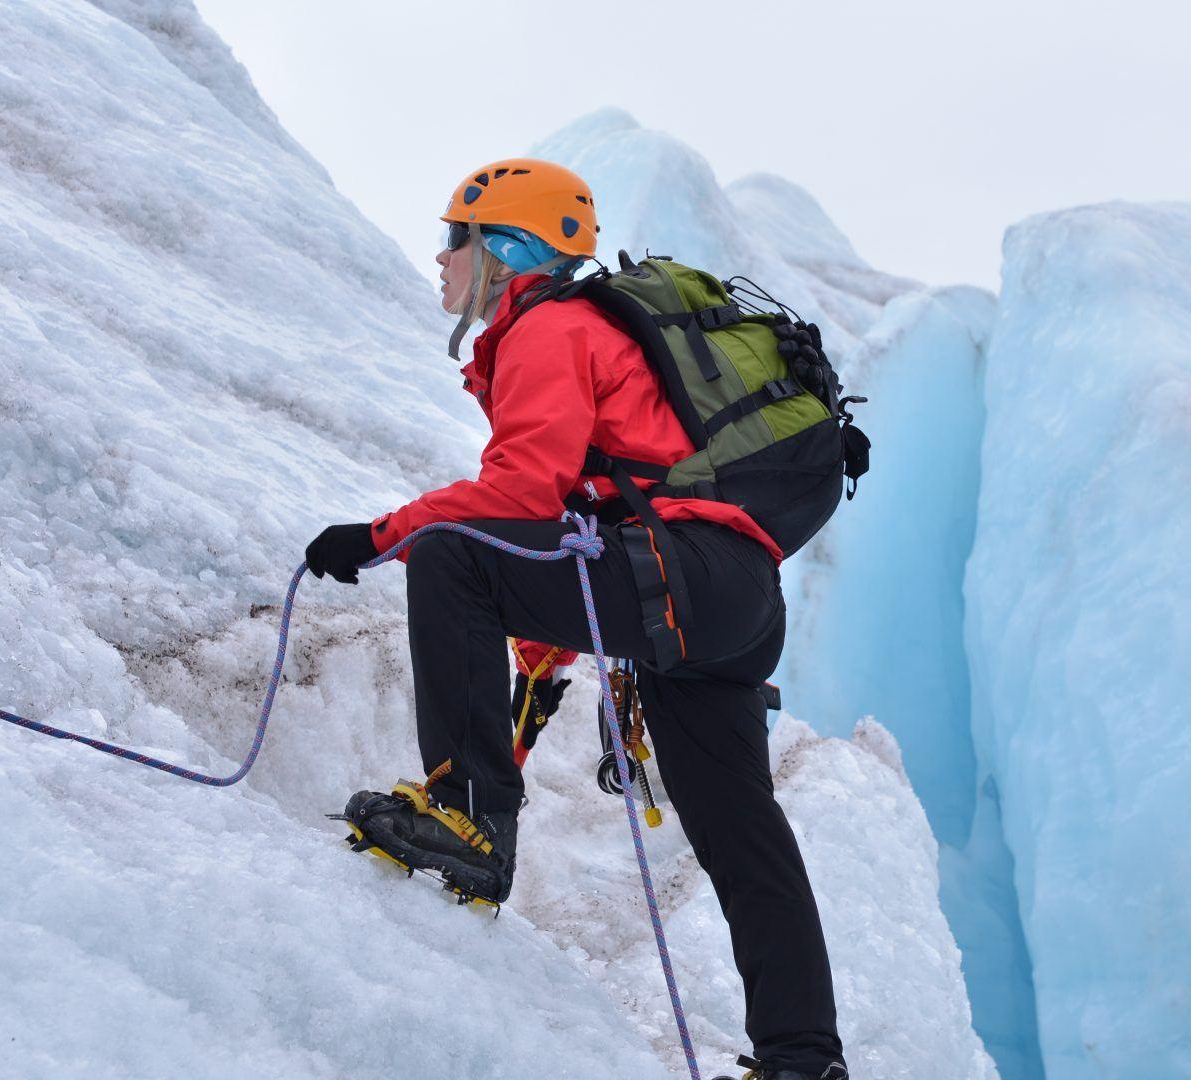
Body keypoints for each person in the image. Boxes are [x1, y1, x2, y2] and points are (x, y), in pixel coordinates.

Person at [305, 159, 848, 1080]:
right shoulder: (592, 334)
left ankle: (469, 824)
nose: (441, 260)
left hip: (679, 574)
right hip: (734, 597)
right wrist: (540, 656)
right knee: (739, 828)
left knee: (446, 554)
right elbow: (570, 527)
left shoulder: (551, 328)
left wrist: (377, 536)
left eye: (455, 238)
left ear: (505, 247)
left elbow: (518, 498)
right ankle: (802, 1060)